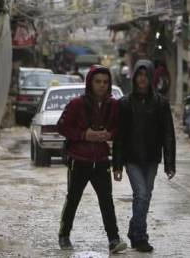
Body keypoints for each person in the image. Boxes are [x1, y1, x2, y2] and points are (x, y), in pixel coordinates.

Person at [55, 65, 128, 254]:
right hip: (79, 160)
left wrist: (108, 134)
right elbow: (62, 127)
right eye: (98, 82)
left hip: (102, 160)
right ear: (90, 83)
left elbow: (120, 129)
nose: (101, 86)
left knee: (107, 201)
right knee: (73, 199)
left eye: (105, 82)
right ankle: (64, 235)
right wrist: (83, 134)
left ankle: (114, 239)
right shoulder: (76, 104)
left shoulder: (114, 105)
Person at [113, 60, 176, 253]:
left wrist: (169, 163)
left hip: (151, 158)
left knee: (145, 197)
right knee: (140, 194)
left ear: (150, 78)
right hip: (131, 159)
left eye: (145, 75)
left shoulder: (161, 103)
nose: (142, 79)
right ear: (134, 78)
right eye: (139, 75)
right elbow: (119, 135)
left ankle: (134, 229)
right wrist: (117, 164)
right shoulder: (124, 103)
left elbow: (168, 134)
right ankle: (141, 237)